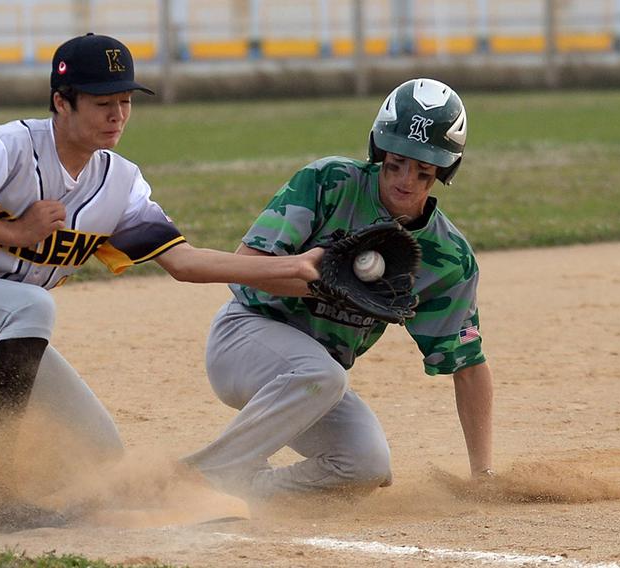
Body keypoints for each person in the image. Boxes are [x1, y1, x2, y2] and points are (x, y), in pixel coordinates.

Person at [0, 32, 322, 532]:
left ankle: (25, 498)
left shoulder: (120, 183)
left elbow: (184, 262)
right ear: (61, 103)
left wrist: (293, 267)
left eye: (126, 102)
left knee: (99, 454)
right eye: (102, 102)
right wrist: (13, 232)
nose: (118, 115)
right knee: (31, 307)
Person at [182, 78, 495, 500]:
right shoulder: (330, 181)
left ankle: (242, 492)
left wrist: (483, 474)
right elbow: (244, 267)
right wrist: (321, 285)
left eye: (424, 171)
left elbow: (468, 366)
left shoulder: (447, 257)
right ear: (378, 150)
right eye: (396, 162)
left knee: (365, 466)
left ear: (445, 171)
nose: (406, 180)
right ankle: (197, 476)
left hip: (312, 384)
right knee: (323, 374)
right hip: (246, 339)